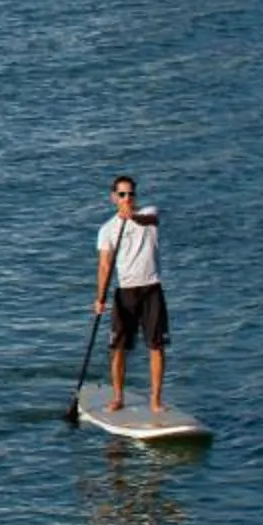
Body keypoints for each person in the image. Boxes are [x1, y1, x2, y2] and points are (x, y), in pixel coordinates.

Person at [93, 175, 169, 414]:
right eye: (122, 194)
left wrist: (132, 217)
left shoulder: (148, 213)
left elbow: (151, 220)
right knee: (118, 347)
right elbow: (104, 265)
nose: (127, 198)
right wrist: (100, 298)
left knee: (156, 346)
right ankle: (118, 397)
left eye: (131, 194)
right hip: (125, 292)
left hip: (151, 289)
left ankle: (156, 400)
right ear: (114, 198)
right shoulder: (107, 229)